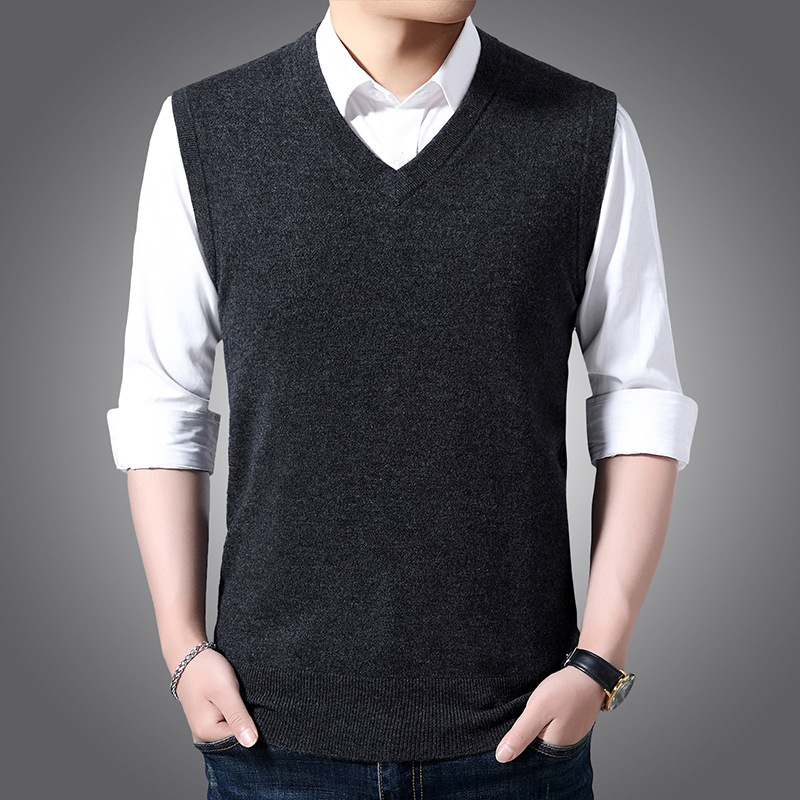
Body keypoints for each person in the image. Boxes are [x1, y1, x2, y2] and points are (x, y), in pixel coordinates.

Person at [106, 1, 698, 797]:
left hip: (517, 739)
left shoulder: (587, 133)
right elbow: (163, 408)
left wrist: (598, 661)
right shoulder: (205, 130)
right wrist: (182, 649)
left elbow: (640, 404)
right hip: (271, 738)